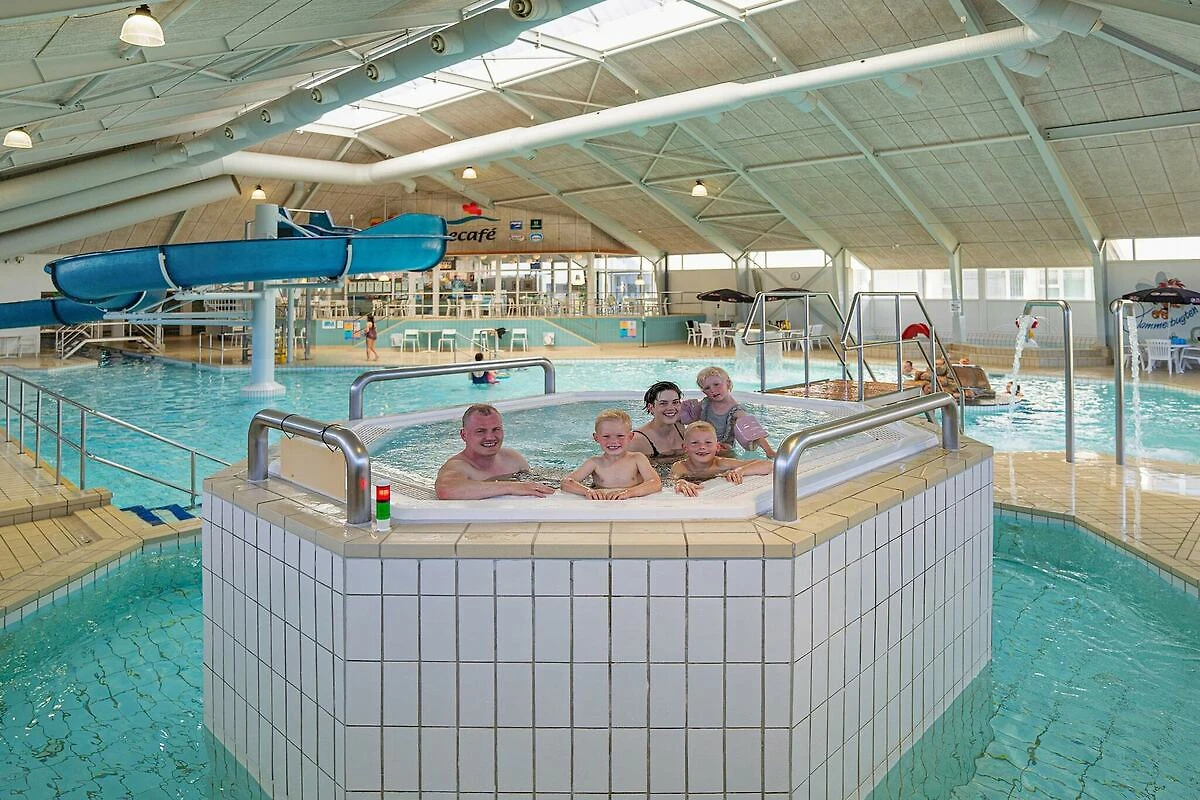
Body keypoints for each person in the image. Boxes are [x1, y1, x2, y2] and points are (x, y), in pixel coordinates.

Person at [434, 404, 555, 500]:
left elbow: (535, 483)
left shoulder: (512, 458)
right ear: (464, 435)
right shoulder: (458, 466)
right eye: (481, 431)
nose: (490, 437)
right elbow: (445, 489)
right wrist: (511, 487)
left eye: (496, 429)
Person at [562, 409, 662, 500]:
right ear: (596, 438)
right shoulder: (595, 462)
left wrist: (629, 492)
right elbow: (566, 483)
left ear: (630, 437)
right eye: (606, 436)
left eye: (620, 436)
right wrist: (587, 491)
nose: (613, 441)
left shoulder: (637, 459)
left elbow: (655, 483)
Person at [680, 366, 776, 457]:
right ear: (704, 392)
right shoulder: (705, 404)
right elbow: (687, 417)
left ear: (728, 383)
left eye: (716, 384)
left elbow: (753, 430)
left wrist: (769, 451)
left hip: (724, 449)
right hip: (703, 446)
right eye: (707, 388)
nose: (712, 390)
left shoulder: (736, 410)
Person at [671, 421, 772, 497]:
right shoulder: (681, 466)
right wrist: (681, 482)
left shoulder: (721, 463)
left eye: (708, 443)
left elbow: (768, 465)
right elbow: (672, 481)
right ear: (685, 448)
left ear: (718, 447)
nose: (702, 447)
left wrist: (740, 470)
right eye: (695, 443)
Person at [627, 380, 687, 461]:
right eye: (663, 403)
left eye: (675, 402)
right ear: (651, 407)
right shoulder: (637, 441)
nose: (671, 408)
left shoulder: (680, 427)